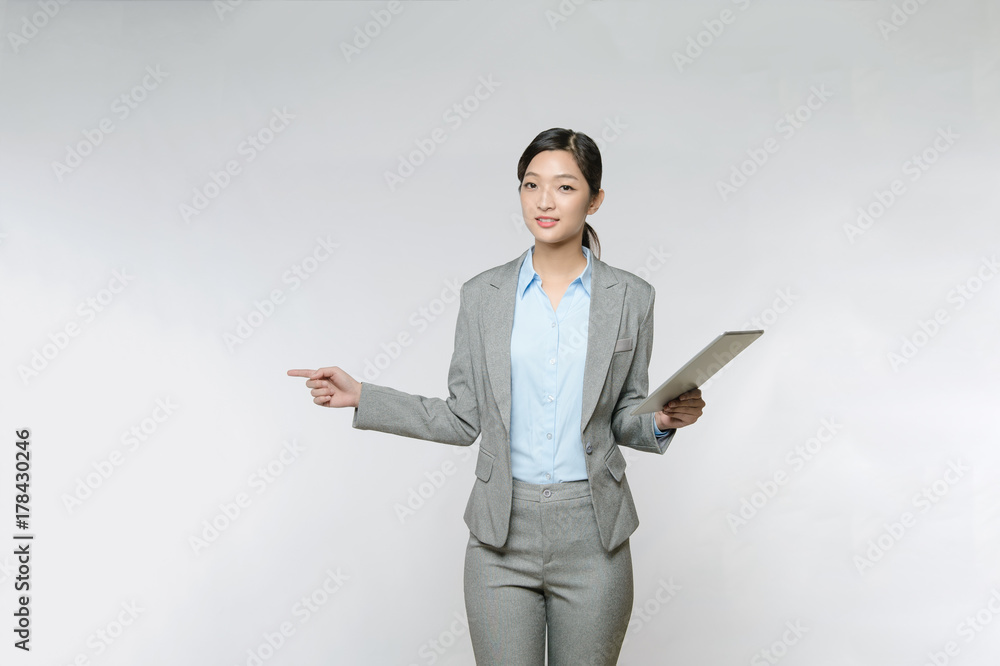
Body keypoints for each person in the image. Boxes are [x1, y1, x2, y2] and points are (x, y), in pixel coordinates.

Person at [288, 127, 705, 665]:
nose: (545, 201)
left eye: (564, 186)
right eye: (531, 185)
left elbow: (623, 417)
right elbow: (462, 418)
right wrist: (363, 396)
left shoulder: (632, 297)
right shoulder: (481, 296)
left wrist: (663, 420)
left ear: (595, 199)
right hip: (499, 535)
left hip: (595, 534)